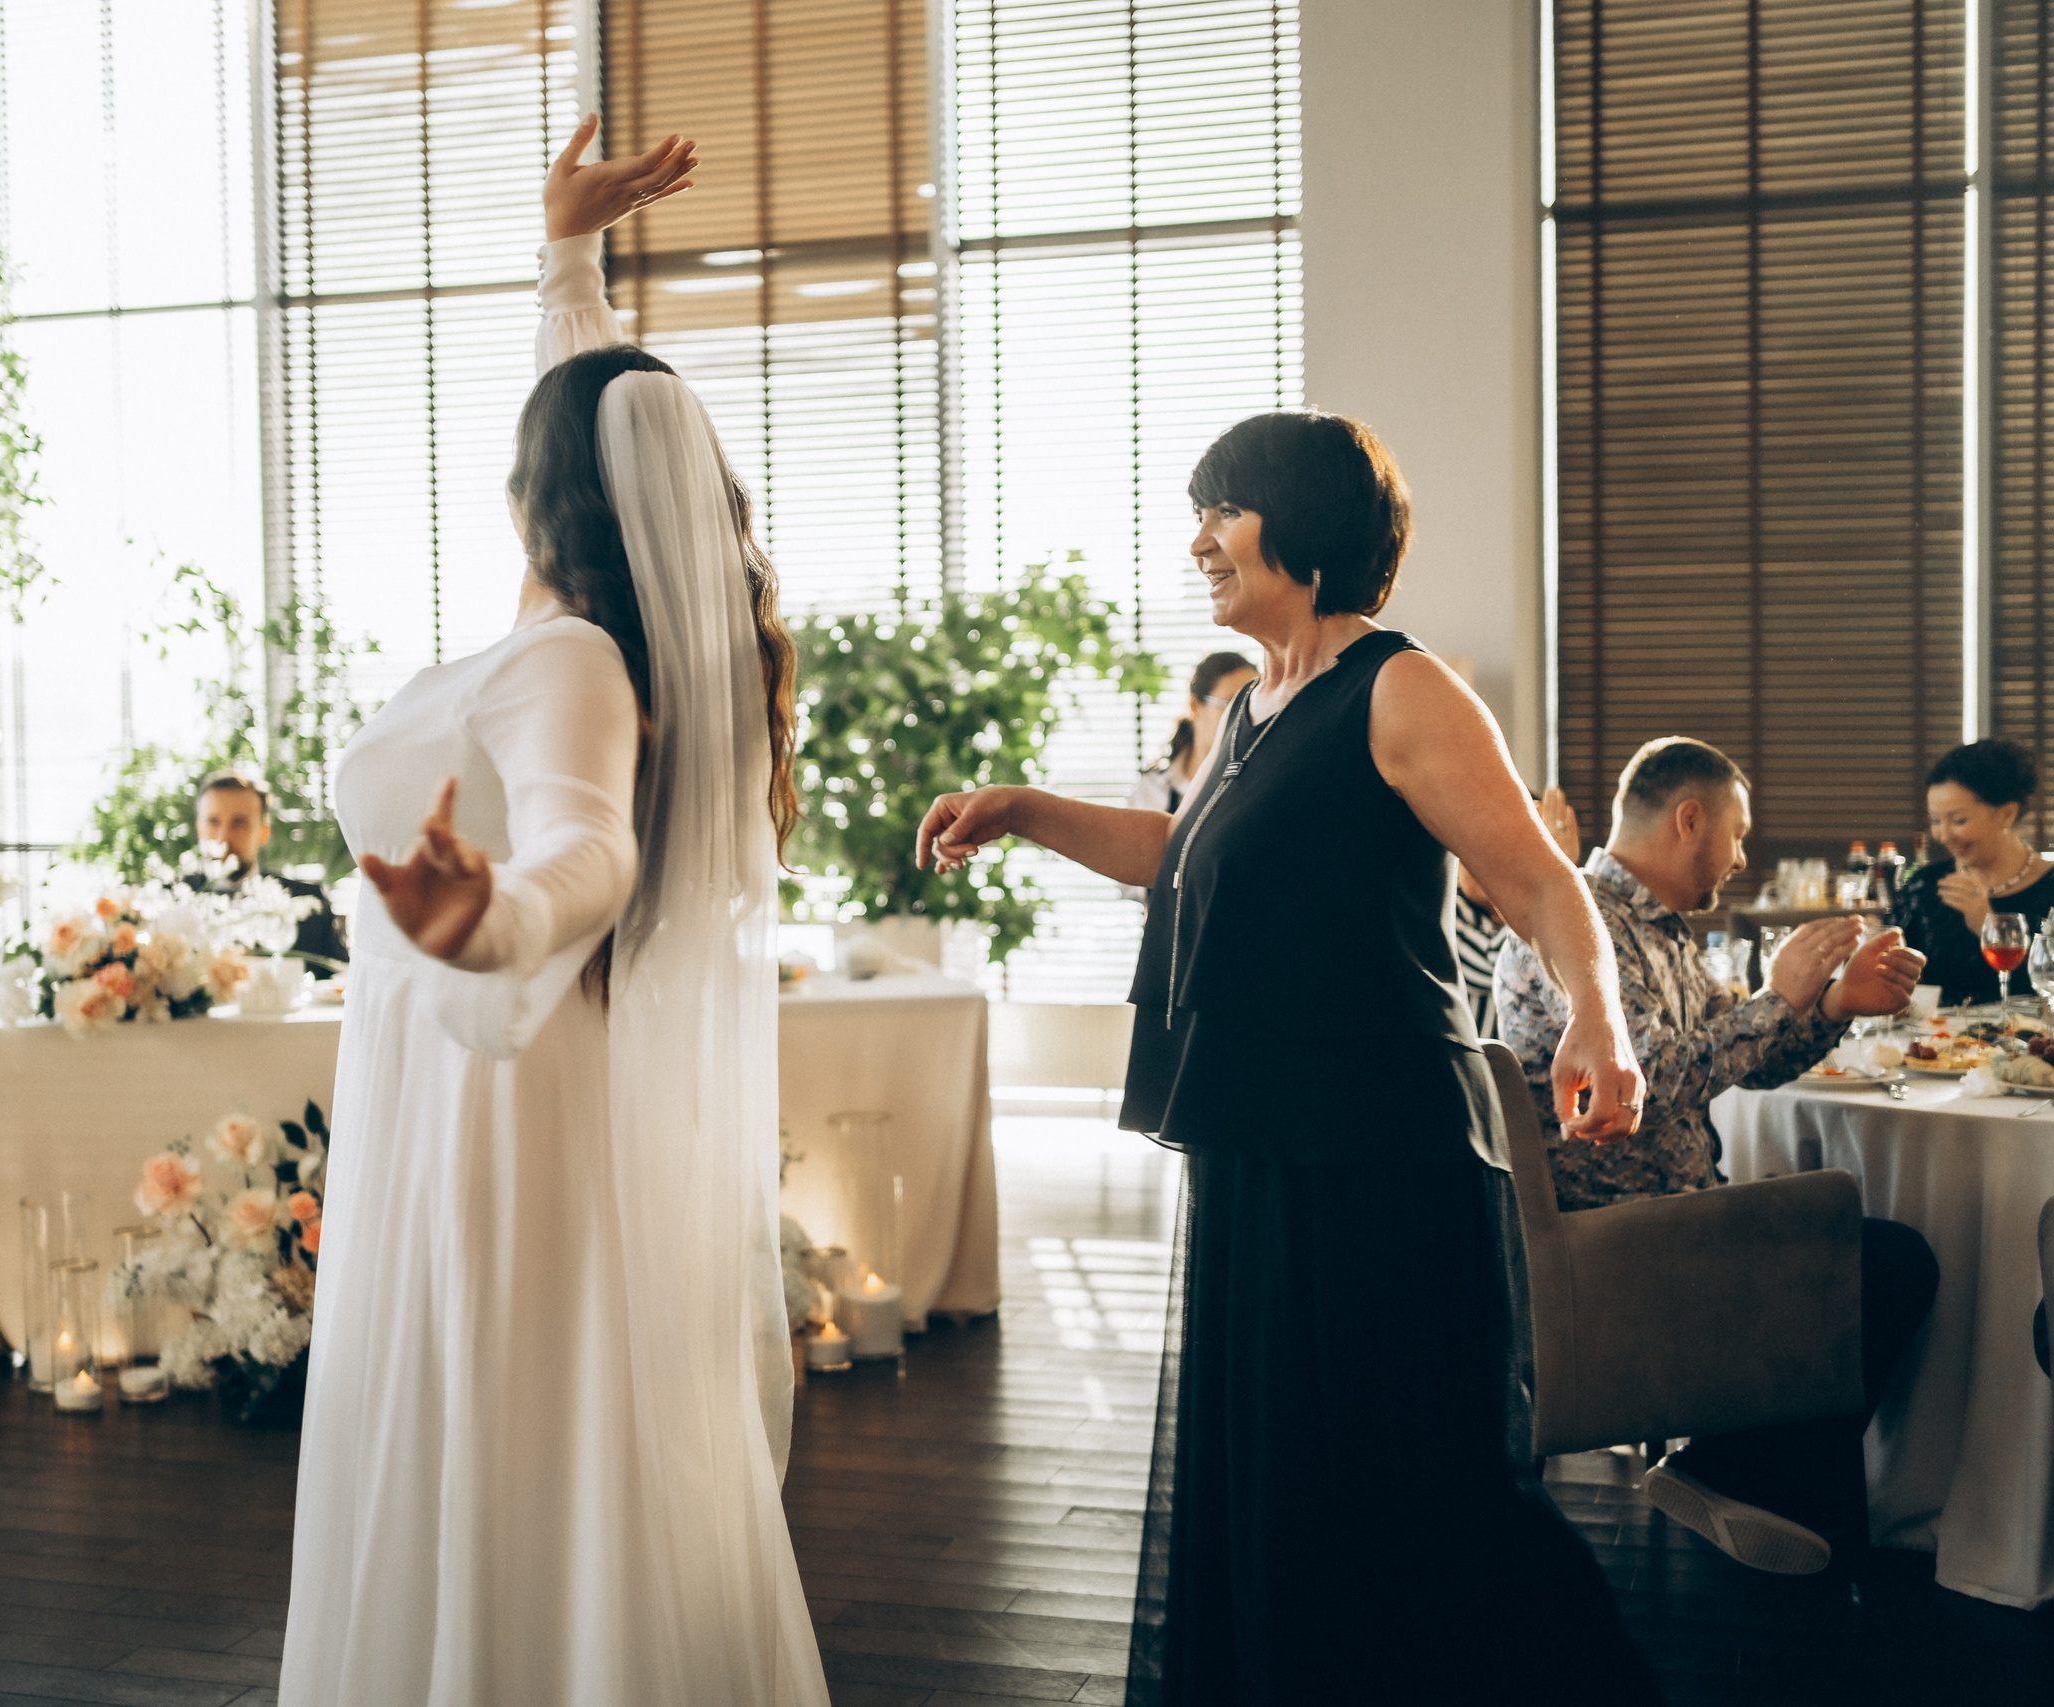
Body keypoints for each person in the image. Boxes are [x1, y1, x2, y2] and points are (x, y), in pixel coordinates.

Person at [917, 410, 1662, 1703]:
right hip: (1260, 1143)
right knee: (1288, 1480)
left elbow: (1542, 883)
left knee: (1422, 1485)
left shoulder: (1402, 689)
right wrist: (1025, 809)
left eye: (1223, 509)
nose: (1198, 540)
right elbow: (1185, 854)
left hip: (1382, 1154)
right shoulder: (1253, 703)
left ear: (1304, 524)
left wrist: (1598, 1015)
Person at [279, 118, 829, 1706]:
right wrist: (565, 258)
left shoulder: (570, 659)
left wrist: (497, 921)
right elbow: (603, 415)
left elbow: (591, 850)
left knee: (503, 1417)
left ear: (541, 495)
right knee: (532, 1415)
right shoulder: (593, 637)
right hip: (499, 1075)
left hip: (489, 1092)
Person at [1495, 736, 1939, 1578]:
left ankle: (1747, 1473)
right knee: (1888, 1261)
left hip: (1673, 1217)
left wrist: (1831, 1004)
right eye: (1737, 833)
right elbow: (1652, 1079)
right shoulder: (1581, 925)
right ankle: (1739, 1473)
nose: (1740, 857)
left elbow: (1742, 1060)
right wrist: (1779, 995)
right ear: (1689, 819)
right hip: (1619, 1239)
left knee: (1873, 1251)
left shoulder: (1657, 930)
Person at [1886, 737, 2054, 1007]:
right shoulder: (1924, 886)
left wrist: (1987, 925)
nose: (1943, 835)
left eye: (1958, 820)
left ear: (2006, 814)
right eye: (1935, 821)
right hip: (1933, 1034)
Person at [184, 768, 348, 966]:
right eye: (213, 822)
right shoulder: (173, 904)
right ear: (199, 828)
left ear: (264, 831)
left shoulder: (309, 905)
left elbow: (342, 979)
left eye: (239, 823)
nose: (223, 837)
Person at [1458, 786, 1581, 1036]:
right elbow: (1506, 963)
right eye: (1472, 842)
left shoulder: (1558, 915)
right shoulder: (1447, 914)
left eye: (1501, 843)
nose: (1484, 858)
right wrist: (1552, 874)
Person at [1126, 651, 1257, 814]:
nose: (1245, 715)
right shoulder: (1151, 791)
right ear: (1195, 706)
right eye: (1231, 704)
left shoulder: (1257, 786)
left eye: (1253, 704)